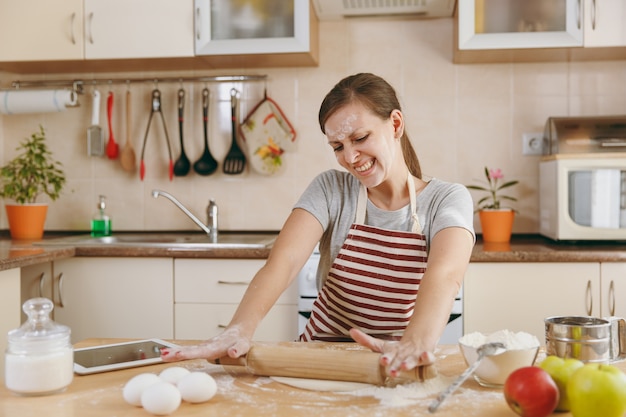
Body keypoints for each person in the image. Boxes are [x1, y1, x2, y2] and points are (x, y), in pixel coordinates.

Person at [161, 73, 475, 378]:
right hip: (318, 361)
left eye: (360, 138)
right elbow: (283, 263)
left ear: (395, 124)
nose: (350, 157)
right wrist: (239, 328)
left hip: (396, 363)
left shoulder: (447, 199)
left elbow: (446, 275)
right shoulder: (330, 189)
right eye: (337, 146)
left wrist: (414, 344)